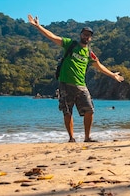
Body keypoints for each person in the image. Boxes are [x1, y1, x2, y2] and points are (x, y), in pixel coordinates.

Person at [28, 14, 124, 143]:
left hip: (81, 85)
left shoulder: (89, 53)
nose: (86, 36)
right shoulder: (70, 44)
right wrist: (38, 26)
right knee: (67, 112)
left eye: (88, 35)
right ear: (81, 35)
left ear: (91, 38)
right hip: (66, 83)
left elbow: (99, 66)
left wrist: (112, 75)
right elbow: (53, 37)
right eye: (84, 34)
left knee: (89, 110)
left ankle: (87, 137)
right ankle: (71, 138)